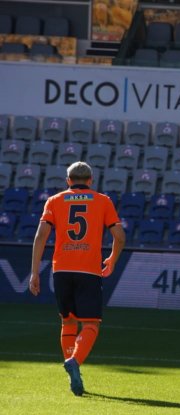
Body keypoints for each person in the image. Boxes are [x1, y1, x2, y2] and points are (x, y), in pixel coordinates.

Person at [29, 161, 126, 396]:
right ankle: (74, 361)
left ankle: (72, 367)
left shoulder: (54, 201)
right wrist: (112, 260)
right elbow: (119, 236)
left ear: (68, 181)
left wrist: (34, 272)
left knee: (68, 322)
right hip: (89, 270)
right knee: (91, 324)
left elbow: (41, 236)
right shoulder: (103, 200)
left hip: (61, 268)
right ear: (90, 181)